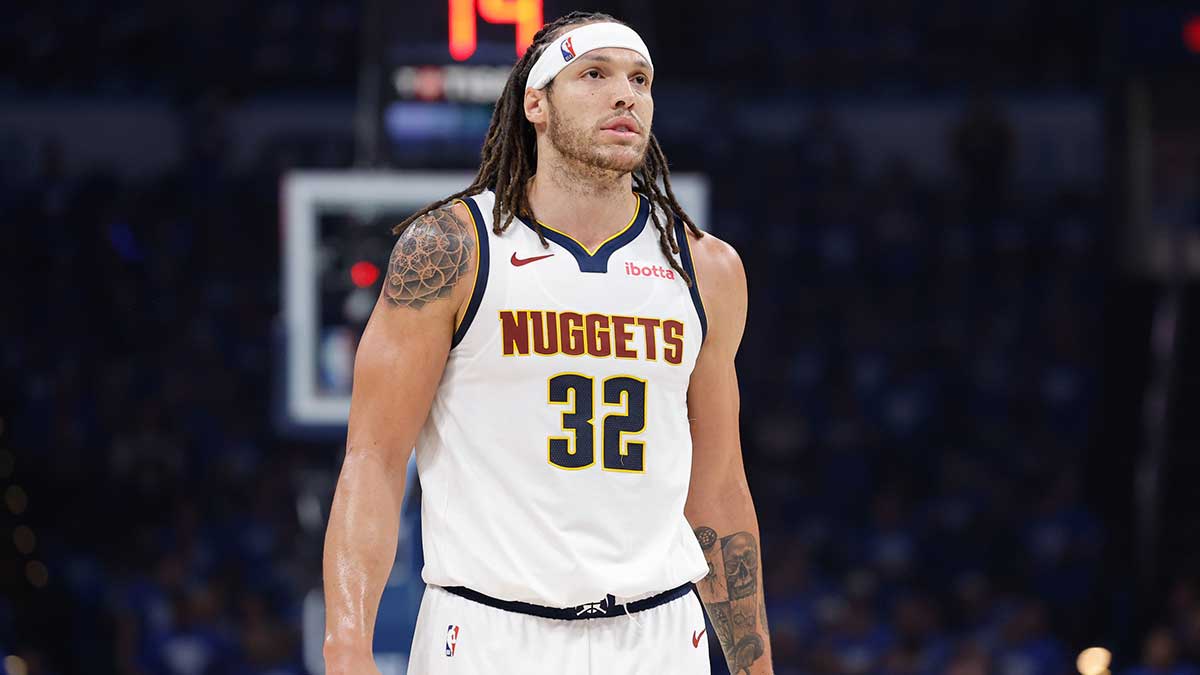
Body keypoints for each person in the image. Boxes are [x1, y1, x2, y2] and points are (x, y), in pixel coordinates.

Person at [321, 11, 773, 675]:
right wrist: (346, 648)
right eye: (595, 74)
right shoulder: (453, 248)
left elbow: (719, 488)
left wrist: (755, 665)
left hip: (661, 635)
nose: (626, 94)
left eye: (641, 79)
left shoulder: (705, 268)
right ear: (535, 101)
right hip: (488, 632)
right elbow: (374, 461)